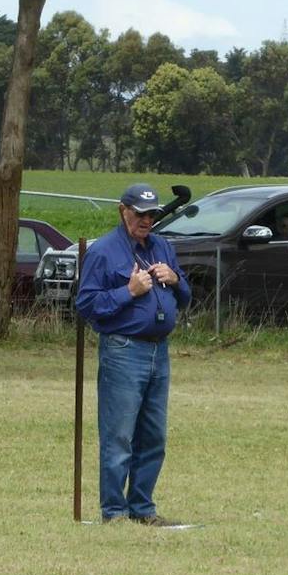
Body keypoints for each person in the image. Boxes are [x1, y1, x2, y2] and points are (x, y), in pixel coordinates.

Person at [75, 182, 191, 525]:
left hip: (159, 351)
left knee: (153, 435)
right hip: (123, 351)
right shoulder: (104, 252)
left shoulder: (163, 247)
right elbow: (86, 304)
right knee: (120, 435)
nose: (146, 220)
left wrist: (175, 279)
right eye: (139, 213)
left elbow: (184, 297)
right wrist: (128, 291)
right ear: (122, 210)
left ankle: (143, 508)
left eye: (151, 214)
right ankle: (114, 512)